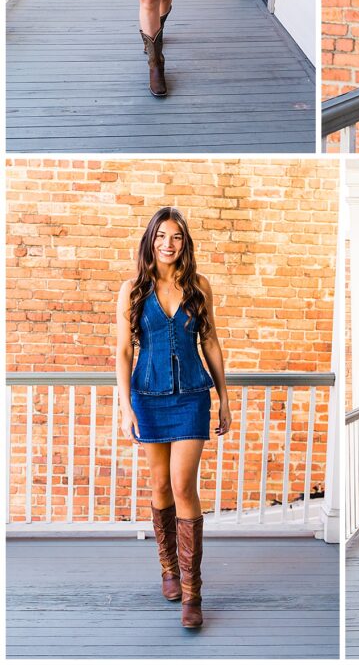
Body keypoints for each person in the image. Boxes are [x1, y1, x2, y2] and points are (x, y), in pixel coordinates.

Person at [115, 207, 231, 629]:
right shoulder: (132, 289)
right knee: (160, 484)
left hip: (192, 398)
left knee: (184, 485)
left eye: (176, 237)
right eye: (161, 236)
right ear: (151, 240)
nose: (168, 243)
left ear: (185, 243)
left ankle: (193, 591)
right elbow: (124, 351)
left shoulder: (199, 286)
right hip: (147, 397)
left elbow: (211, 341)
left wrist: (224, 397)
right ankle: (169, 568)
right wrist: (126, 407)